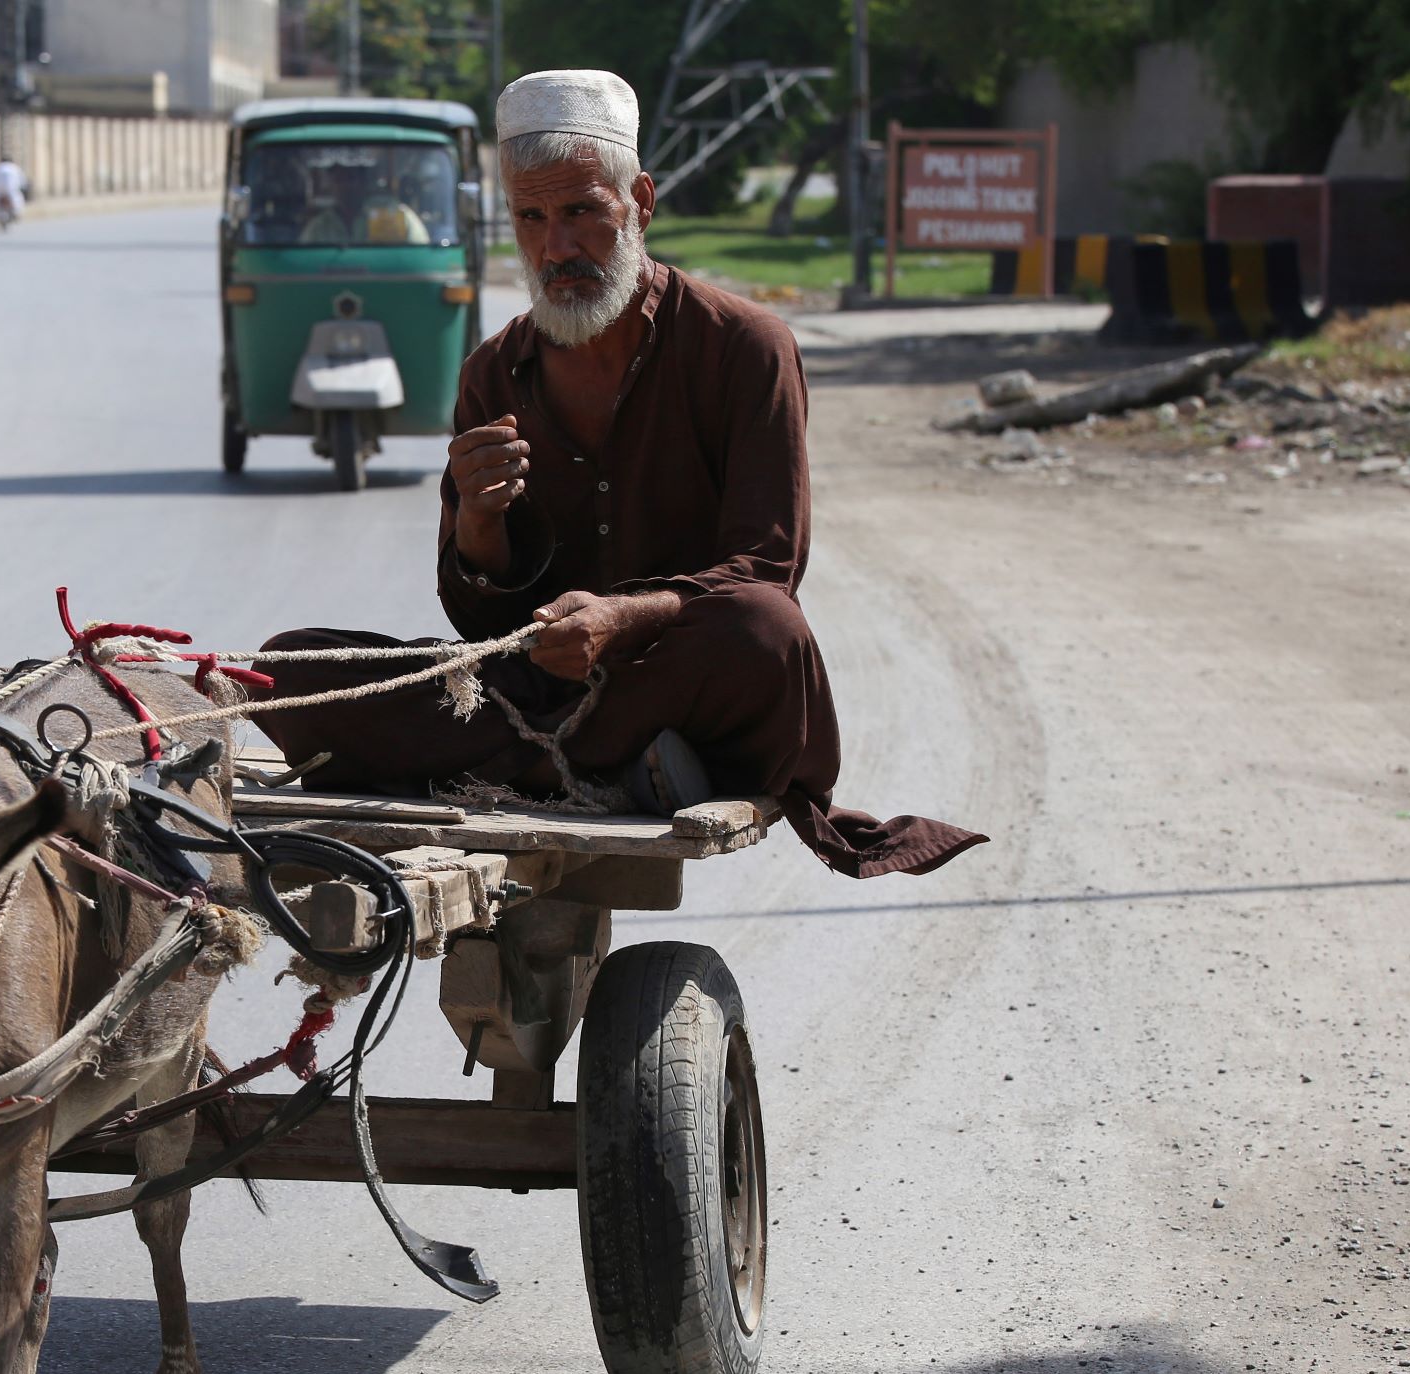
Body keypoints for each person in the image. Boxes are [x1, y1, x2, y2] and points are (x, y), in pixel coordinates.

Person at [255, 69, 984, 879]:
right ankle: (606, 769)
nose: (555, 247)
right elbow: (475, 619)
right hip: (535, 692)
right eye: (530, 218)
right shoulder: (494, 372)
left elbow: (766, 566)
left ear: (639, 201)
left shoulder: (743, 347)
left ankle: (529, 769)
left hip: (680, 679)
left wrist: (619, 618)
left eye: (580, 213)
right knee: (286, 667)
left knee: (765, 630)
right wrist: (478, 524)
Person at [0, 155, 28, 227]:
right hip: (11, 189)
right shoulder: (14, 167)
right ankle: (16, 213)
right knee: (17, 200)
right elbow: (21, 179)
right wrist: (23, 187)